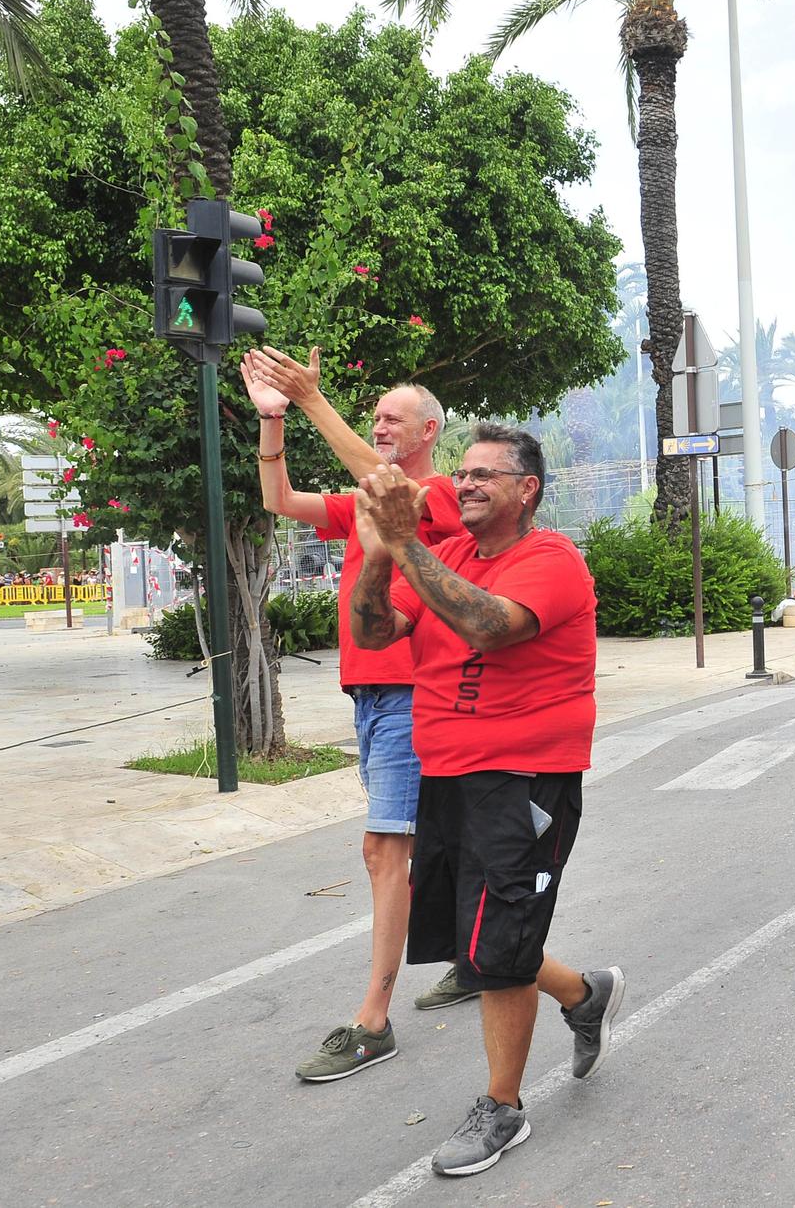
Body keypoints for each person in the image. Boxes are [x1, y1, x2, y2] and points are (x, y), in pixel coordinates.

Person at [348, 423, 623, 1177]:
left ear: (525, 488)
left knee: (496, 950)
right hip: (449, 776)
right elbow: (375, 634)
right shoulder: (448, 554)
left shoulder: (551, 560)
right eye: (461, 472)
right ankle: (582, 992)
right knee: (476, 943)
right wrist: (378, 558)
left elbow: (487, 624)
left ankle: (503, 1106)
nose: (463, 484)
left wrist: (405, 544)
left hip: (525, 780)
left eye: (483, 475)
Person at [241, 348, 470, 1081]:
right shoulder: (372, 500)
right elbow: (280, 500)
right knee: (435, 838)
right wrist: (273, 421)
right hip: (370, 696)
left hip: (410, 692)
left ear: (430, 428)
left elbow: (384, 485)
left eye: (392, 417)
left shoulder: (434, 498)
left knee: (384, 852)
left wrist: (311, 397)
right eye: (372, 416)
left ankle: (373, 1020)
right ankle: (474, 956)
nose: (379, 425)